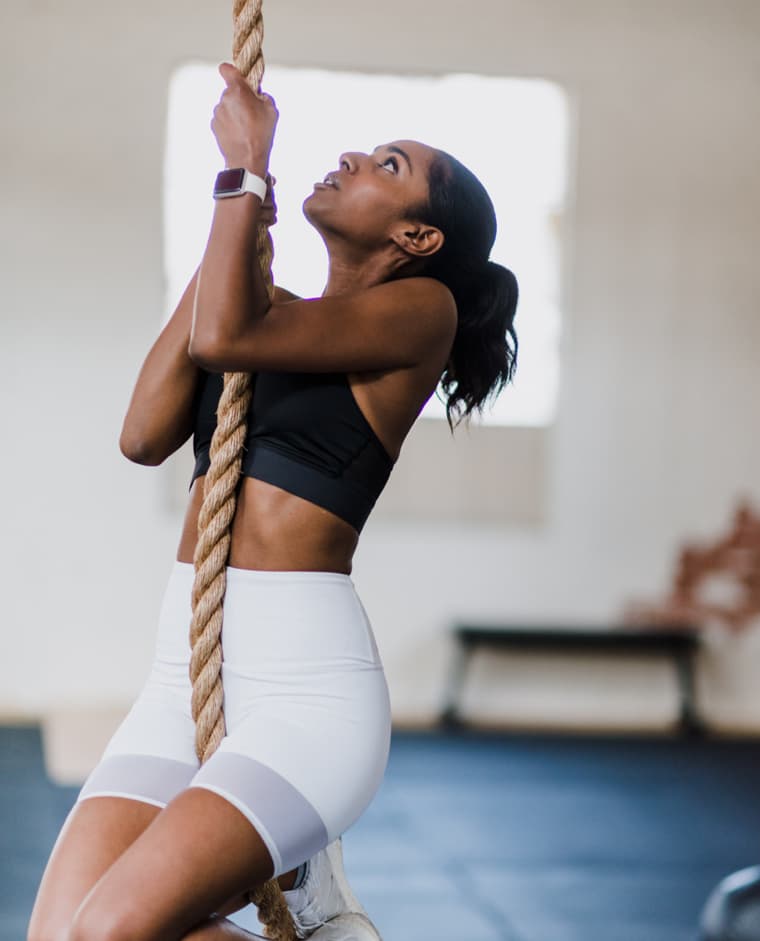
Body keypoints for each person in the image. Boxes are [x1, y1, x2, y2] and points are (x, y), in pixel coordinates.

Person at [27, 62, 519, 941]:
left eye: (387, 165)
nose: (353, 158)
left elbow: (229, 335)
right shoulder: (261, 308)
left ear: (416, 237)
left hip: (307, 700)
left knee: (111, 932)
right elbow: (142, 435)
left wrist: (247, 168)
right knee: (64, 932)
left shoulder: (423, 314)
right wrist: (235, 236)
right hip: (184, 681)